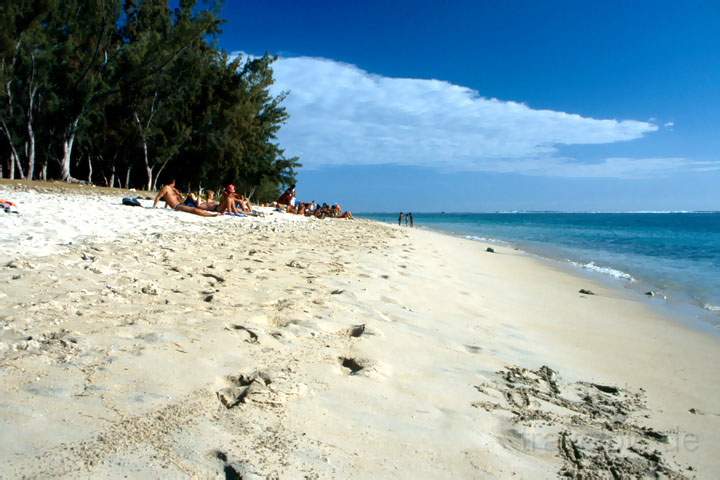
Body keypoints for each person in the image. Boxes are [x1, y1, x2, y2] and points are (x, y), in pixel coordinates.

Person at [153, 180, 218, 217]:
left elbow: (167, 198)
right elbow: (158, 197)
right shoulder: (166, 188)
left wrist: (165, 207)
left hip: (181, 203)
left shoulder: (171, 189)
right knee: (193, 210)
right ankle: (209, 215)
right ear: (173, 182)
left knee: (194, 207)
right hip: (177, 206)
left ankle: (209, 213)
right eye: (174, 182)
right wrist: (154, 207)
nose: (174, 184)